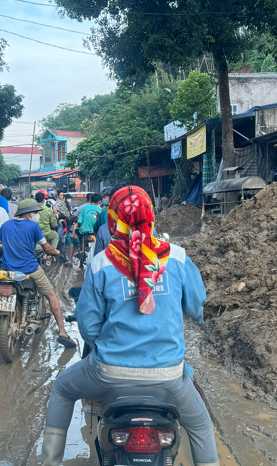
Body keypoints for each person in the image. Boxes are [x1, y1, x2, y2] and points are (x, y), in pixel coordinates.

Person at [39, 186, 217, 466]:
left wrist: (105, 347)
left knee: (62, 388)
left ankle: (49, 462)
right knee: (201, 426)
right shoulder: (179, 258)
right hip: (169, 375)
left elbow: (88, 326)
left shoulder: (100, 264)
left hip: (108, 371)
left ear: (113, 218)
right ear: (151, 217)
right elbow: (196, 307)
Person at [0, 198, 76, 349]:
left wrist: (3, 250)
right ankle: (63, 332)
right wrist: (57, 252)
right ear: (28, 213)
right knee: (51, 295)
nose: (36, 215)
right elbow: (46, 248)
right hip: (30, 269)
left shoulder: (6, 225)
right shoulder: (33, 227)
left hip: (8, 272)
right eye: (35, 212)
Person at [66, 193, 101, 267]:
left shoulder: (83, 208)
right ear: (99, 202)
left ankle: (69, 261)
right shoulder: (101, 209)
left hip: (84, 232)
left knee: (73, 241)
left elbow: (79, 222)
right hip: (96, 232)